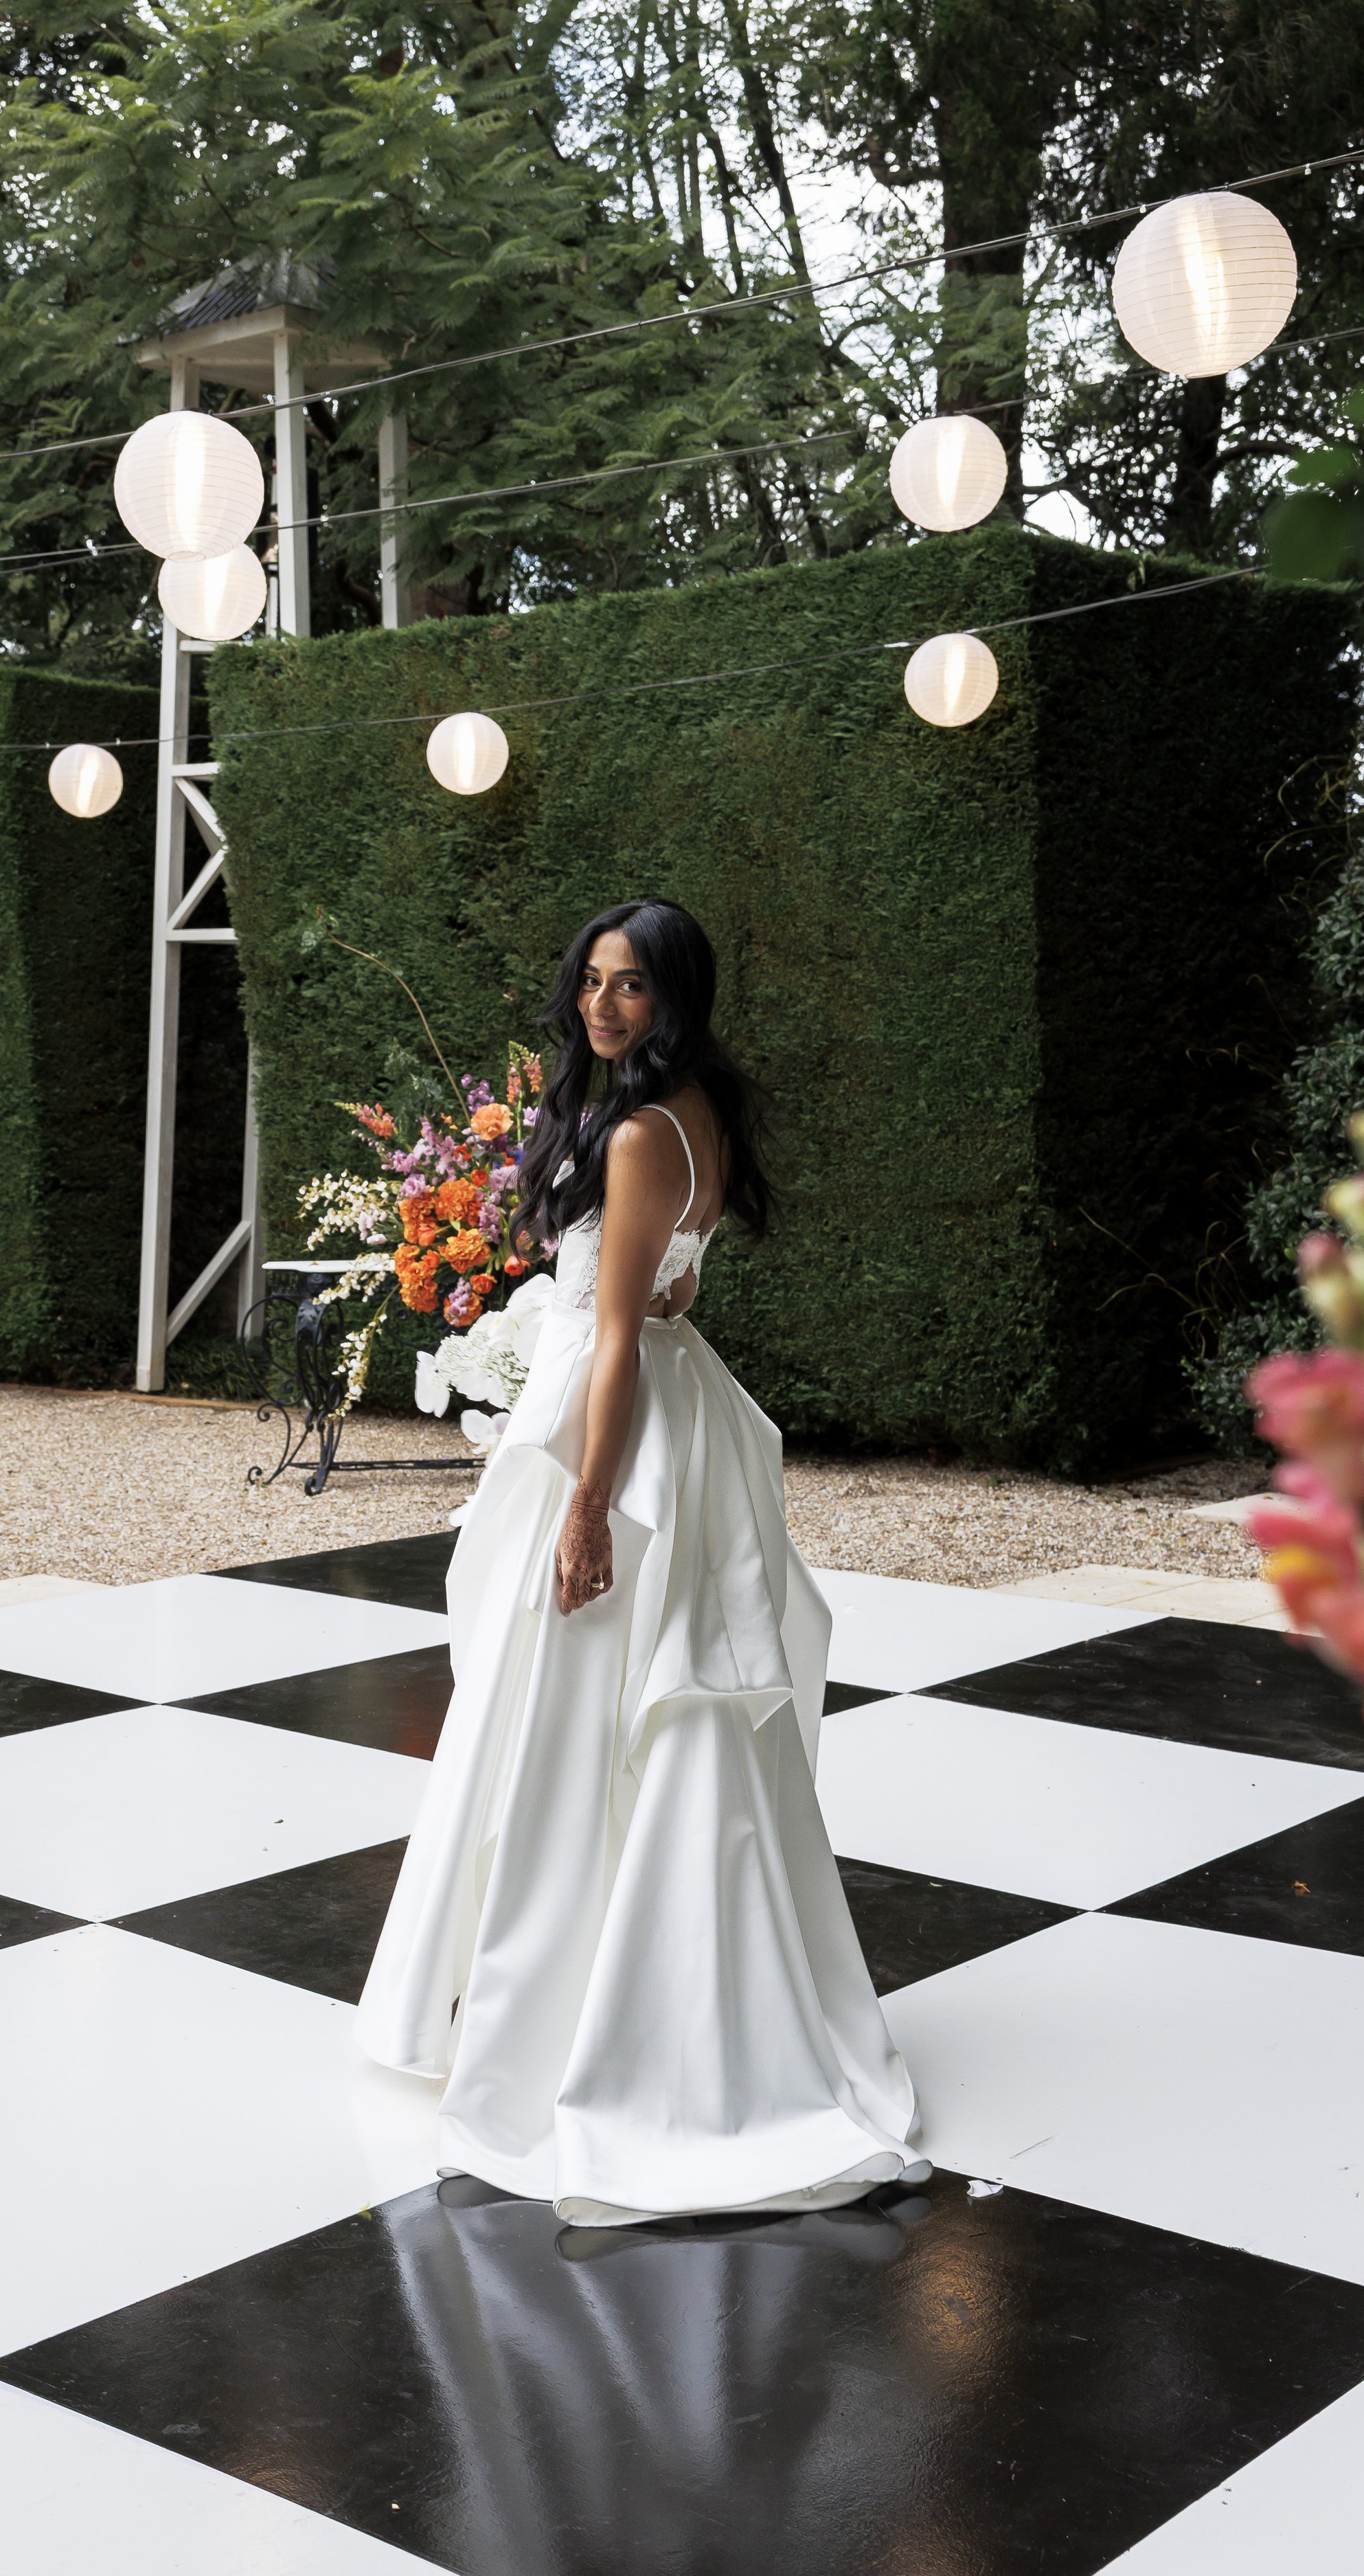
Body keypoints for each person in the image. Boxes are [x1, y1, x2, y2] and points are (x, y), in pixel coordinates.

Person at [356, 899, 927, 2224]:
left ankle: (574, 2024)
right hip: (679, 1417)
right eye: (593, 982)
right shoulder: (698, 1118)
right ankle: (673, 1992)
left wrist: (588, 1506)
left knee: (571, 1714)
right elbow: (674, 1292)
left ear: (676, 998)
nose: (602, 1005)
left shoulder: (633, 1136)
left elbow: (615, 1335)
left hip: (617, 1438)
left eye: (631, 987)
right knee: (640, 1706)